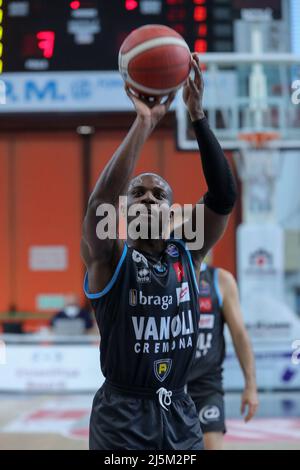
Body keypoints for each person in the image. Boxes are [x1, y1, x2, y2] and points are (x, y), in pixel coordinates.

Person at [81, 54, 237, 450]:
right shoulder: (111, 259)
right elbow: (99, 202)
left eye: (159, 194)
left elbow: (223, 197)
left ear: (171, 208)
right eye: (138, 193)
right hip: (121, 418)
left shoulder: (188, 253)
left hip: (181, 411)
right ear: (125, 208)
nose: (149, 199)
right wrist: (144, 123)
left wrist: (197, 115)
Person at [187, 263, 259, 450]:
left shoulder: (220, 280)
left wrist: (250, 385)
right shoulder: (160, 274)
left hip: (206, 385)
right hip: (166, 385)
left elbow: (240, 335)